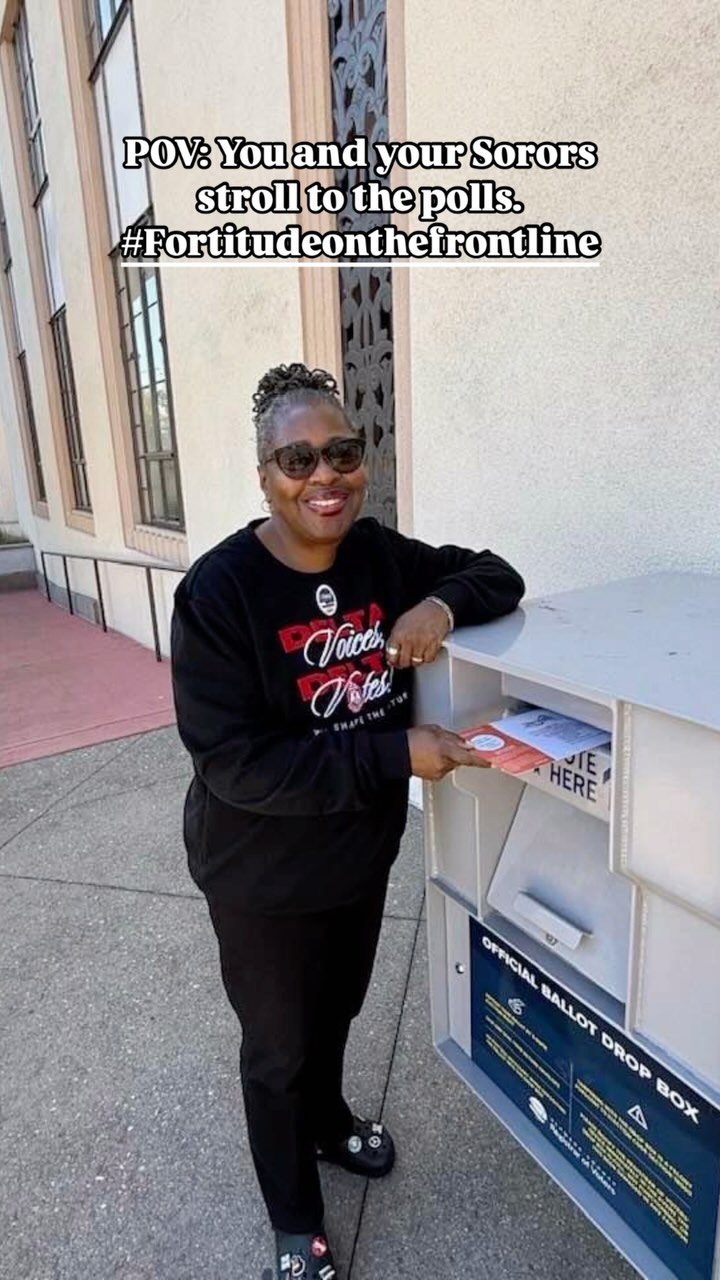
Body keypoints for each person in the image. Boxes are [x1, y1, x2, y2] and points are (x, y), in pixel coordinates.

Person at [170, 362, 524, 1280]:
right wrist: (393, 753)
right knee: (279, 1047)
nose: (324, 475)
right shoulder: (220, 593)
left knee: (338, 1009)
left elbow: (498, 573)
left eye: (342, 452)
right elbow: (234, 762)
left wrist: (439, 602)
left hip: (358, 854)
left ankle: (329, 1125)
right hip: (262, 872)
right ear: (264, 473)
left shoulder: (378, 555)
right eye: (298, 458)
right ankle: (295, 1222)